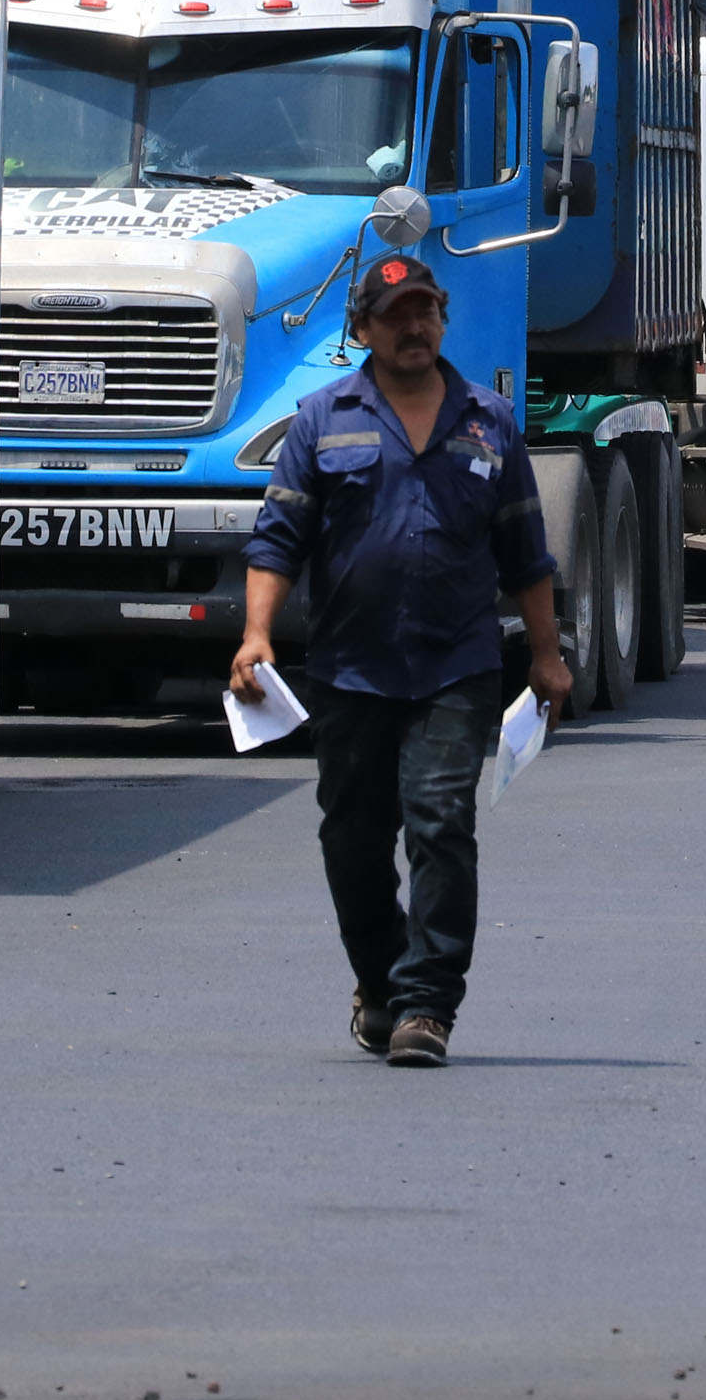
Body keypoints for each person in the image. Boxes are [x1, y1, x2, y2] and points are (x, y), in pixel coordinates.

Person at [235, 252, 577, 1070]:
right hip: (350, 671)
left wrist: (546, 655)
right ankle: (381, 984)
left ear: (442, 320)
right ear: (363, 329)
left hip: (455, 671)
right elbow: (277, 541)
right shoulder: (323, 420)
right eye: (396, 315)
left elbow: (527, 554)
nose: (414, 327)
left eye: (426, 311)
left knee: (440, 825)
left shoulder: (488, 422)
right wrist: (256, 637)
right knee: (352, 842)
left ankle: (427, 1005)